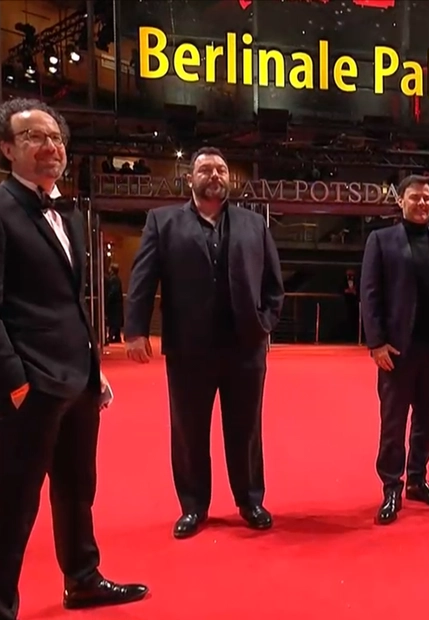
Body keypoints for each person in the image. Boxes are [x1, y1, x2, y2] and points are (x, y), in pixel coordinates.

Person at [0, 98, 147, 620]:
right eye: (34, 137)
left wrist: (92, 368)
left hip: (76, 379)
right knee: (13, 507)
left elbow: (67, 303)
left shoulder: (70, 213)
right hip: (28, 387)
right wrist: (12, 380)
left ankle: (82, 578)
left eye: (55, 137)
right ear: (7, 148)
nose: (50, 146)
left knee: (78, 489)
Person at [124, 146, 284, 539]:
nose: (215, 175)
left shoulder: (253, 224)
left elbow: (273, 285)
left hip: (244, 346)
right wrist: (135, 329)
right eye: (206, 169)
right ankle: (193, 506)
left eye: (221, 169)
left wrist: (264, 323)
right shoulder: (162, 222)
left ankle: (250, 500)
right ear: (189, 178)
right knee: (188, 430)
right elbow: (143, 279)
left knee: (246, 428)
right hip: (188, 348)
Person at [359, 174, 429, 525]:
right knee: (393, 422)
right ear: (401, 201)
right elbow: (370, 294)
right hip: (396, 350)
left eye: (427, 198)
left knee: (426, 419)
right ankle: (392, 486)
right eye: (415, 198)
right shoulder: (381, 240)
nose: (422, 203)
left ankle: (418, 479)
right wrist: (375, 343)